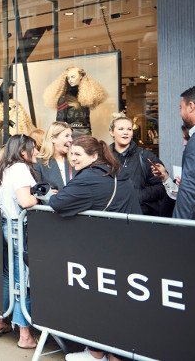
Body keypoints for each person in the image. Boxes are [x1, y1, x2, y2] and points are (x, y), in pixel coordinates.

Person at [48, 136, 141, 361]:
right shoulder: (115, 172)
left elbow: (58, 204)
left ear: (94, 156)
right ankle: (108, 354)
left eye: (78, 154)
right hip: (129, 246)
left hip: (102, 249)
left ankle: (98, 354)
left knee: (100, 305)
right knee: (117, 306)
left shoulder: (88, 178)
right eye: (72, 153)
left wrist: (52, 196)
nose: (73, 158)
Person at [0, 134, 39, 349]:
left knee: (9, 275)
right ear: (23, 151)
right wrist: (44, 196)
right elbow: (26, 201)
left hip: (5, 225)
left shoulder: (4, 167)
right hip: (18, 228)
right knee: (22, 280)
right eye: (33, 148)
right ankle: (25, 334)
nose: (37, 152)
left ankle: (0, 319)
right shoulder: (20, 169)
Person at [108, 113, 166, 216]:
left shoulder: (145, 156)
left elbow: (162, 186)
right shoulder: (103, 157)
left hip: (139, 215)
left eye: (129, 129)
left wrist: (138, 195)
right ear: (111, 132)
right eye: (121, 129)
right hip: (111, 214)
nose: (126, 132)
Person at [173, 84, 195, 220]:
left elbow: (192, 189)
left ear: (191, 106)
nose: (180, 113)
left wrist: (178, 227)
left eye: (181, 108)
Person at [35, 122, 74, 192]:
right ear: (53, 139)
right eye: (67, 136)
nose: (71, 140)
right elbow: (36, 190)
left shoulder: (74, 161)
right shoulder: (39, 163)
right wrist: (47, 193)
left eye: (71, 136)